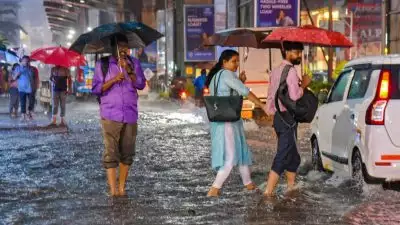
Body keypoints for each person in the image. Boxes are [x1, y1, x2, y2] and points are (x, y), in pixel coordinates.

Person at [206, 49, 268, 197]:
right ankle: (214, 189)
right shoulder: (227, 74)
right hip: (227, 122)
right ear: (224, 62)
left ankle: (249, 184)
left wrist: (239, 81)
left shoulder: (216, 76)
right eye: (233, 61)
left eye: (237, 61)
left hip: (225, 120)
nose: (236, 64)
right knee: (231, 157)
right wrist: (263, 105)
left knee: (241, 153)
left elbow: (228, 92)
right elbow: (245, 92)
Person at [92, 33, 146, 197]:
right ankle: (113, 189)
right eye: (121, 46)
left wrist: (130, 72)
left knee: (127, 152)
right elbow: (96, 89)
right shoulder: (103, 64)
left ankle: (122, 187)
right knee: (111, 152)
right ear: (114, 48)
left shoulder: (134, 63)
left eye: (126, 46)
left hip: (130, 113)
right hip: (110, 113)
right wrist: (115, 79)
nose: (124, 49)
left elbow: (141, 84)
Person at [263, 42, 312, 197]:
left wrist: (272, 112)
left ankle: (291, 187)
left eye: (300, 53)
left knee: (293, 156)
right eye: (296, 52)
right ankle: (268, 193)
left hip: (279, 118)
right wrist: (304, 85)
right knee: (283, 154)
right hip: (288, 119)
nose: (298, 56)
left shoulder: (276, 70)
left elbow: (271, 95)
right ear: (286, 51)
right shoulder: (290, 71)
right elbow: (295, 96)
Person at [13, 56, 35, 121]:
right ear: (21, 61)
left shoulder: (31, 68)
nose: (26, 62)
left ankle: (29, 111)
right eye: (24, 60)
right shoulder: (18, 68)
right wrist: (18, 74)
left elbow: (32, 78)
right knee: (23, 102)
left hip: (29, 88)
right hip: (21, 88)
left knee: (31, 101)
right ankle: (23, 115)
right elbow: (14, 78)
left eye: (27, 61)